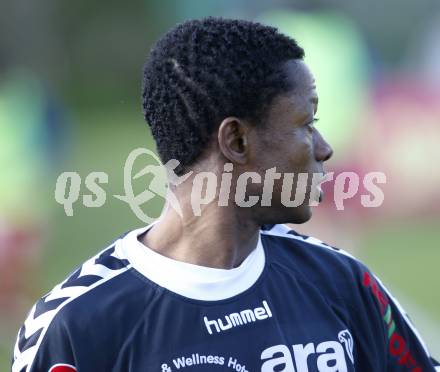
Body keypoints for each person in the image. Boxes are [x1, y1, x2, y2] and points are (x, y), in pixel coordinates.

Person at [12, 17, 438, 372]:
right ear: (235, 140)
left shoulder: (341, 283)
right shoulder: (79, 326)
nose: (325, 148)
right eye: (306, 123)